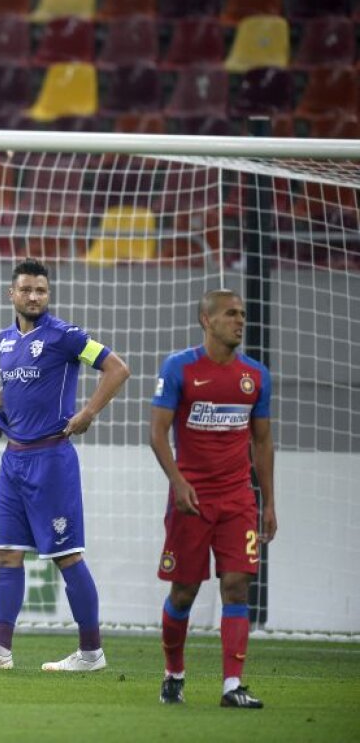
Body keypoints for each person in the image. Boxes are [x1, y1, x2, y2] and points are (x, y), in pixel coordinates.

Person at [0, 258, 130, 673]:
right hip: (14, 461)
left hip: (51, 459)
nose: (34, 297)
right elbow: (9, 388)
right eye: (27, 290)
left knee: (67, 556)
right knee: (7, 554)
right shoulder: (4, 341)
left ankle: (91, 653)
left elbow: (117, 368)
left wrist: (88, 411)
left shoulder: (66, 336)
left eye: (41, 291)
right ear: (11, 294)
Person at [150, 289, 275, 709]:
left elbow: (262, 442)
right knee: (183, 592)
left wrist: (269, 502)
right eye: (230, 314)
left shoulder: (255, 375)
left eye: (242, 313)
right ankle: (173, 674)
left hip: (238, 499)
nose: (239, 320)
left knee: (237, 586)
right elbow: (157, 432)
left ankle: (232, 684)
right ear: (207, 320)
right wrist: (177, 480)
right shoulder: (180, 368)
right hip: (191, 501)